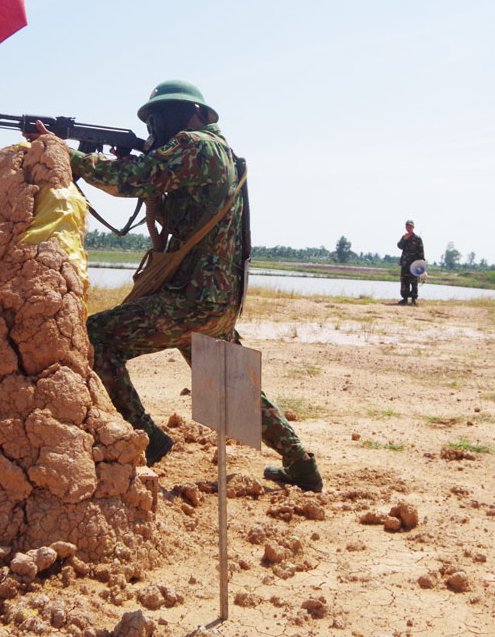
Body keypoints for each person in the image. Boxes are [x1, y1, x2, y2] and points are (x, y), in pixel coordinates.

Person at [28, 80, 322, 492]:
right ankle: (301, 463)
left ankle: (148, 437)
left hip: (190, 299)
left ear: (194, 114)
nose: (156, 127)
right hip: (216, 301)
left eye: (160, 118)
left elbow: (132, 179)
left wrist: (65, 154)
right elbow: (172, 201)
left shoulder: (196, 145)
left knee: (97, 338)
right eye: (151, 121)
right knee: (233, 387)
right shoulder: (224, 155)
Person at [397, 219, 424, 305]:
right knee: (404, 281)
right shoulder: (404, 237)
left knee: (414, 282)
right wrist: (404, 239)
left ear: (413, 227)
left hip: (414, 264)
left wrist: (422, 265)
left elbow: (421, 252)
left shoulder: (417, 239)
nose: (408, 228)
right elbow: (399, 246)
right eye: (407, 226)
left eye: (410, 226)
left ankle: (413, 300)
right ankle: (404, 299)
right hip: (405, 264)